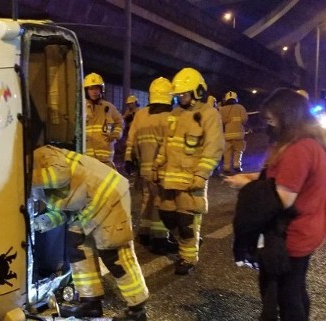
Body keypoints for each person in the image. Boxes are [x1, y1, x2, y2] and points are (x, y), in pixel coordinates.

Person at [224, 88, 326, 321]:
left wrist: (247, 189)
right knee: (297, 289)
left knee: (288, 295)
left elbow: (282, 197)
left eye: (272, 119)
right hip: (310, 225)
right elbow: (278, 182)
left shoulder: (298, 149)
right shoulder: (311, 142)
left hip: (294, 232)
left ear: (287, 117)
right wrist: (250, 178)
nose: (269, 124)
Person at [31, 144, 149, 321]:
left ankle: (137, 307)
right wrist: (40, 223)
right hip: (86, 205)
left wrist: (25, 179)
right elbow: (63, 209)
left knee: (115, 255)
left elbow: (60, 177)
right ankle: (90, 303)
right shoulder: (33, 176)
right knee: (76, 247)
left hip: (109, 196)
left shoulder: (41, 154)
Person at [152, 67, 224, 275]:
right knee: (167, 217)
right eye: (178, 95)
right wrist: (157, 165)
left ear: (197, 92)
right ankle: (188, 242)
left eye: (184, 94)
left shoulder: (209, 115)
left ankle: (188, 258)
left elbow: (214, 147)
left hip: (191, 181)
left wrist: (202, 174)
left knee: (187, 223)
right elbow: (166, 144)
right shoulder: (174, 115)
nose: (181, 98)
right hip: (168, 180)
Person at [124, 77, 176, 254]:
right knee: (161, 202)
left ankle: (144, 233)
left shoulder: (141, 115)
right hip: (162, 169)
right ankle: (160, 239)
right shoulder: (171, 117)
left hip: (144, 168)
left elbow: (131, 139)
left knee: (147, 199)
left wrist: (128, 159)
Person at [84, 72, 124, 168]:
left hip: (105, 158)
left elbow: (120, 122)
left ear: (101, 89)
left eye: (97, 88)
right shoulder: (81, 107)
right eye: (91, 88)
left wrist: (116, 135)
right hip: (86, 156)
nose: (94, 91)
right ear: (86, 91)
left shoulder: (109, 107)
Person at [219, 91, 249, 174]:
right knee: (238, 151)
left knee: (227, 152)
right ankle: (237, 165)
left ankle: (226, 168)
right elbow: (244, 119)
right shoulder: (241, 107)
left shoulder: (222, 109)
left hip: (227, 135)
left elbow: (221, 121)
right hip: (239, 134)